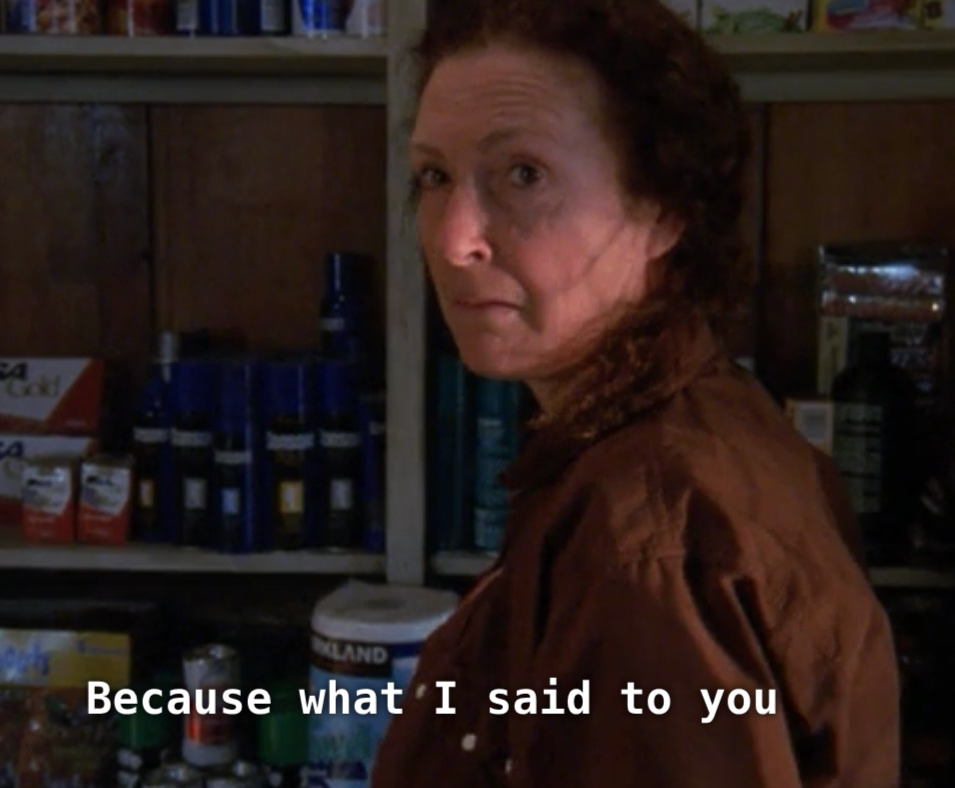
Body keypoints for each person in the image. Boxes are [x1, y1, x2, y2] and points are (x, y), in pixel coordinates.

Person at [370, 0, 901, 786]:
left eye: (524, 174)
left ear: (665, 209)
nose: (453, 241)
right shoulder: (682, 423)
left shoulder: (644, 539)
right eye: (435, 176)